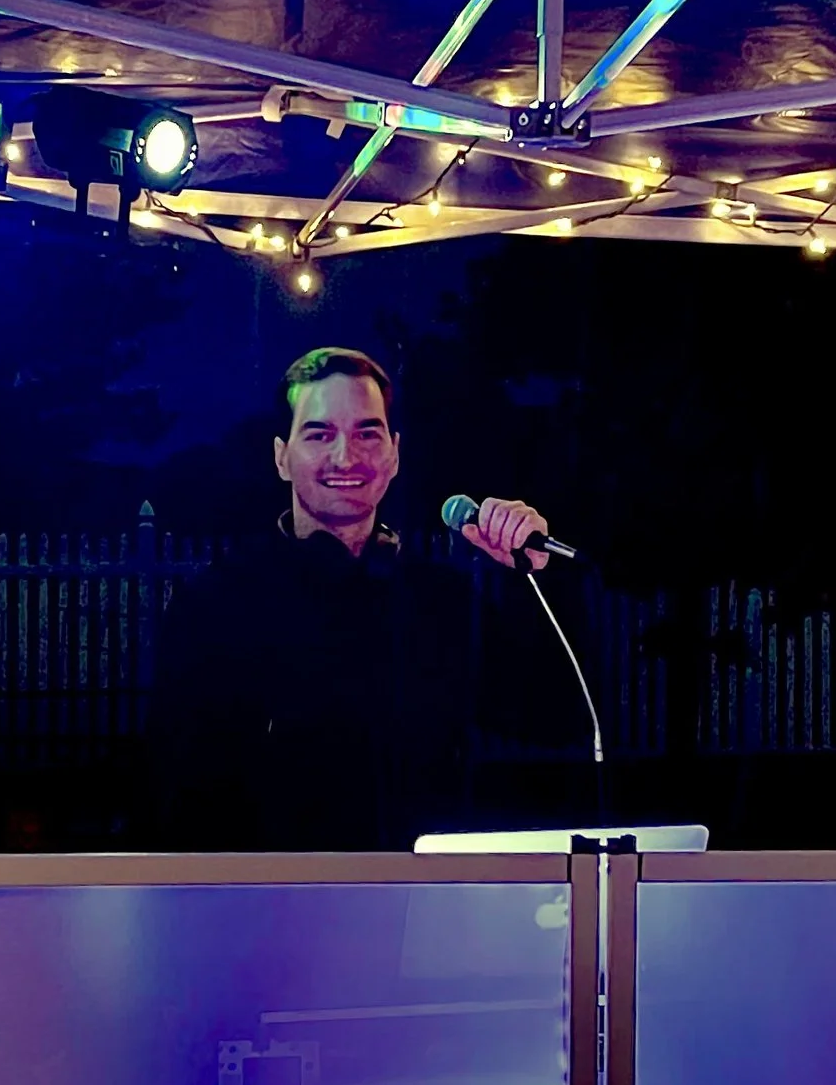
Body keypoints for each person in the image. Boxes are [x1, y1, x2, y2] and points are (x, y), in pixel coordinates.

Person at [152, 346, 586, 850]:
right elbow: (175, 799)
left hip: (423, 909)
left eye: (367, 432)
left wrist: (532, 576)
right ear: (281, 458)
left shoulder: (439, 601)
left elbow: (559, 720)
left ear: (394, 454)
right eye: (319, 434)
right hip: (269, 910)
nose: (346, 456)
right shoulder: (214, 607)